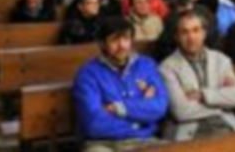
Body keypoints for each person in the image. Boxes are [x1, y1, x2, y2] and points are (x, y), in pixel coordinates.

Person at [72, 17, 169, 152]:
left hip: (145, 140)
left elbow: (160, 107)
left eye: (126, 39)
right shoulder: (88, 74)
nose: (122, 45)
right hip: (103, 144)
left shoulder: (146, 65)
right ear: (102, 43)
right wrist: (139, 121)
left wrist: (119, 108)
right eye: (114, 40)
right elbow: (93, 123)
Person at [160, 11, 235, 141]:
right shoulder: (167, 68)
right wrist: (220, 105)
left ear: (204, 33)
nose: (191, 37)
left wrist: (204, 95)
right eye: (184, 32)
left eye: (196, 30)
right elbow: (181, 112)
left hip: (225, 125)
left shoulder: (221, 60)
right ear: (176, 36)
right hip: (190, 132)